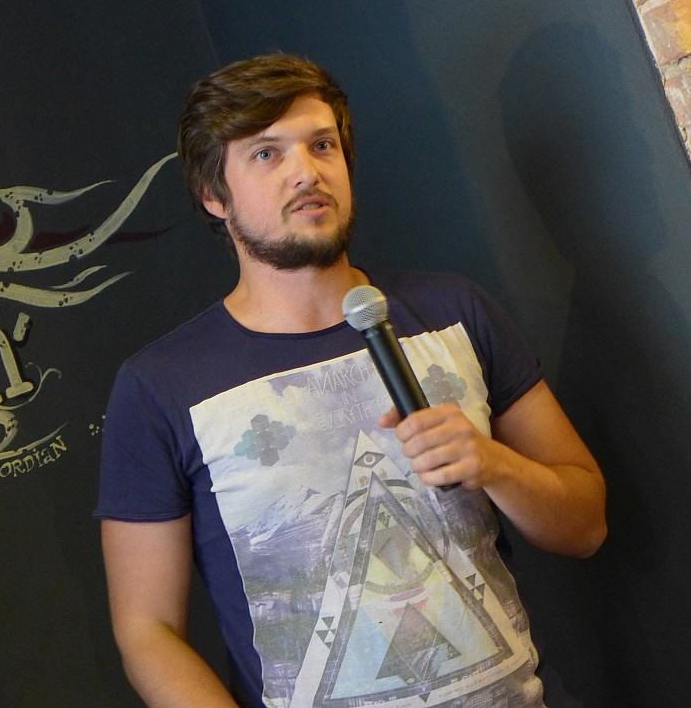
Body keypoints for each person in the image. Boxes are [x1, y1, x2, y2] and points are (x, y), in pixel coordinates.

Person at [95, 53, 606, 708]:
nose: (306, 171)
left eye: (322, 145)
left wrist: (495, 464)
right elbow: (147, 630)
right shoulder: (161, 386)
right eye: (266, 154)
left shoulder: (455, 312)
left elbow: (585, 525)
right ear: (213, 196)